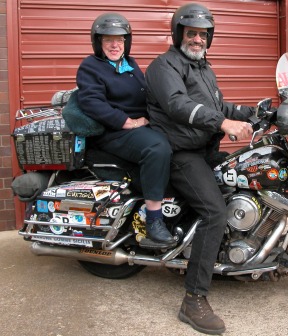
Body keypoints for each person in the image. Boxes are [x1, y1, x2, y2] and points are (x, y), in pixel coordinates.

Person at [145, 3, 255, 335]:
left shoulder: (203, 68)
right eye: (191, 33)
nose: (197, 39)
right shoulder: (164, 66)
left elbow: (219, 105)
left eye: (203, 34)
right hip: (181, 151)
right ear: (179, 33)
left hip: (204, 149)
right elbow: (179, 105)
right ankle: (193, 299)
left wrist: (259, 112)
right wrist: (224, 123)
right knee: (214, 212)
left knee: (247, 178)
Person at [76, 13, 175, 248]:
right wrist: (126, 122)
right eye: (108, 39)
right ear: (98, 42)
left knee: (179, 140)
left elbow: (148, 95)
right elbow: (91, 102)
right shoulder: (91, 67)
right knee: (157, 147)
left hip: (137, 129)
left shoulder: (130, 65)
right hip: (112, 133)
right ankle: (154, 220)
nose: (114, 45)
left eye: (119, 39)